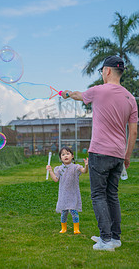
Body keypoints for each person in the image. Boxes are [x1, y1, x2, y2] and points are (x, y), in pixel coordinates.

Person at [61, 55, 138, 251]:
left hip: (100, 152)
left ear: (108, 71)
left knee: (98, 195)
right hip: (118, 155)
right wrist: (127, 156)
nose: (102, 73)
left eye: (102, 70)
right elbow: (134, 131)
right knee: (112, 195)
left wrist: (67, 93)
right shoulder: (130, 98)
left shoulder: (98, 91)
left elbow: (79, 95)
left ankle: (106, 241)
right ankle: (115, 237)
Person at [46, 146, 88, 234]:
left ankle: (76, 228)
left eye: (68, 154)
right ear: (60, 158)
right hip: (64, 194)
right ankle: (63, 228)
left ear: (72, 156)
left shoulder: (76, 167)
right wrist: (50, 171)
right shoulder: (59, 169)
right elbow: (55, 179)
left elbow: (84, 171)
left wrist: (86, 166)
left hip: (73, 193)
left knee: (74, 211)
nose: (65, 156)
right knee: (64, 212)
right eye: (63, 154)